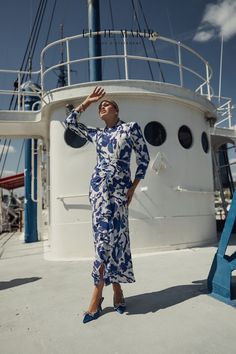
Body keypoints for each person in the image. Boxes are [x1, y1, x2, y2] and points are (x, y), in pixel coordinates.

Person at [65, 86, 150, 323]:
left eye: (106, 104)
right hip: (99, 189)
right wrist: (87, 102)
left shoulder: (130, 128)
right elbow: (70, 123)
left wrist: (133, 187)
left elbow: (144, 157)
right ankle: (98, 291)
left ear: (116, 110)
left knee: (118, 238)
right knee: (102, 238)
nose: (103, 107)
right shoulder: (97, 134)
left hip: (120, 191)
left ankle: (117, 289)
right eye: (101, 106)